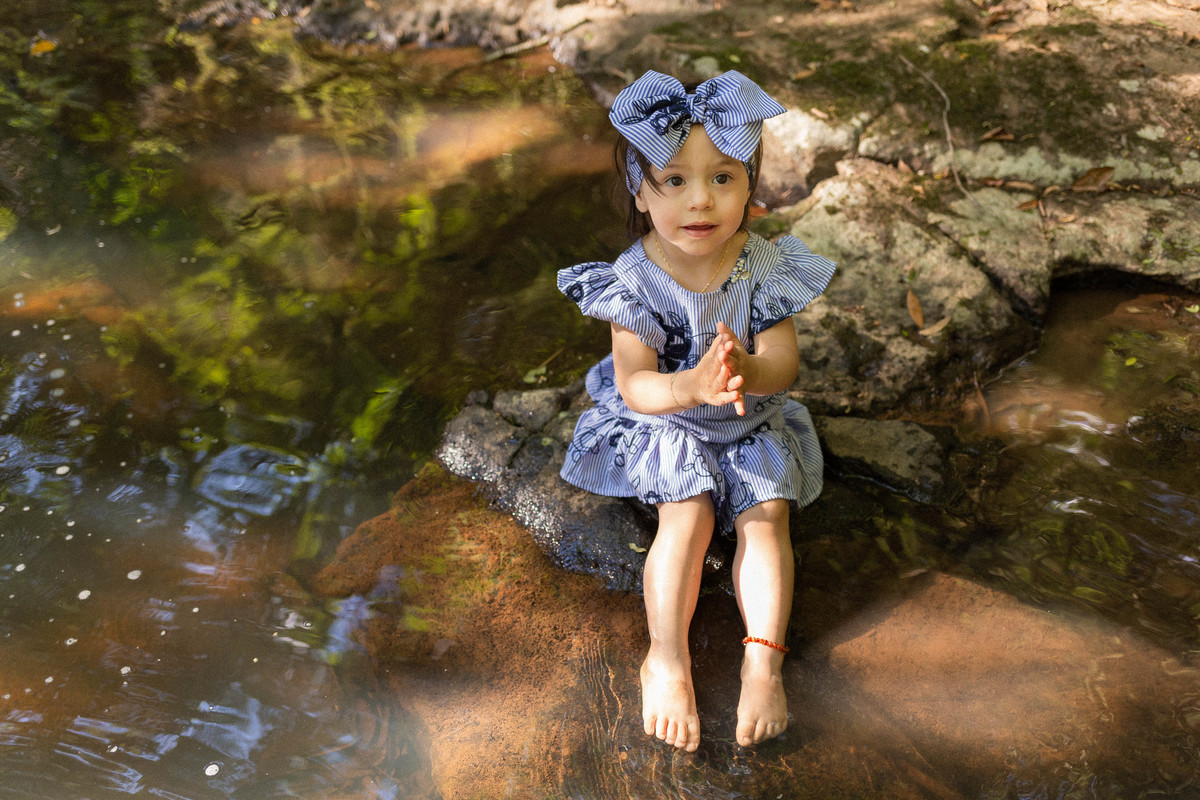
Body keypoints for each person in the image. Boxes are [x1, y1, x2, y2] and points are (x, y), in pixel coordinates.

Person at [556, 70, 836, 752]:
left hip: (748, 422)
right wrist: (692, 386)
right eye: (674, 180)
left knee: (767, 520)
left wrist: (745, 369)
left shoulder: (763, 264)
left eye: (724, 178)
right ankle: (667, 658)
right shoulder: (633, 279)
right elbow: (637, 387)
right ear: (641, 194)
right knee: (687, 516)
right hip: (669, 424)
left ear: (750, 185)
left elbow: (785, 363)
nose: (700, 200)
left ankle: (763, 662)